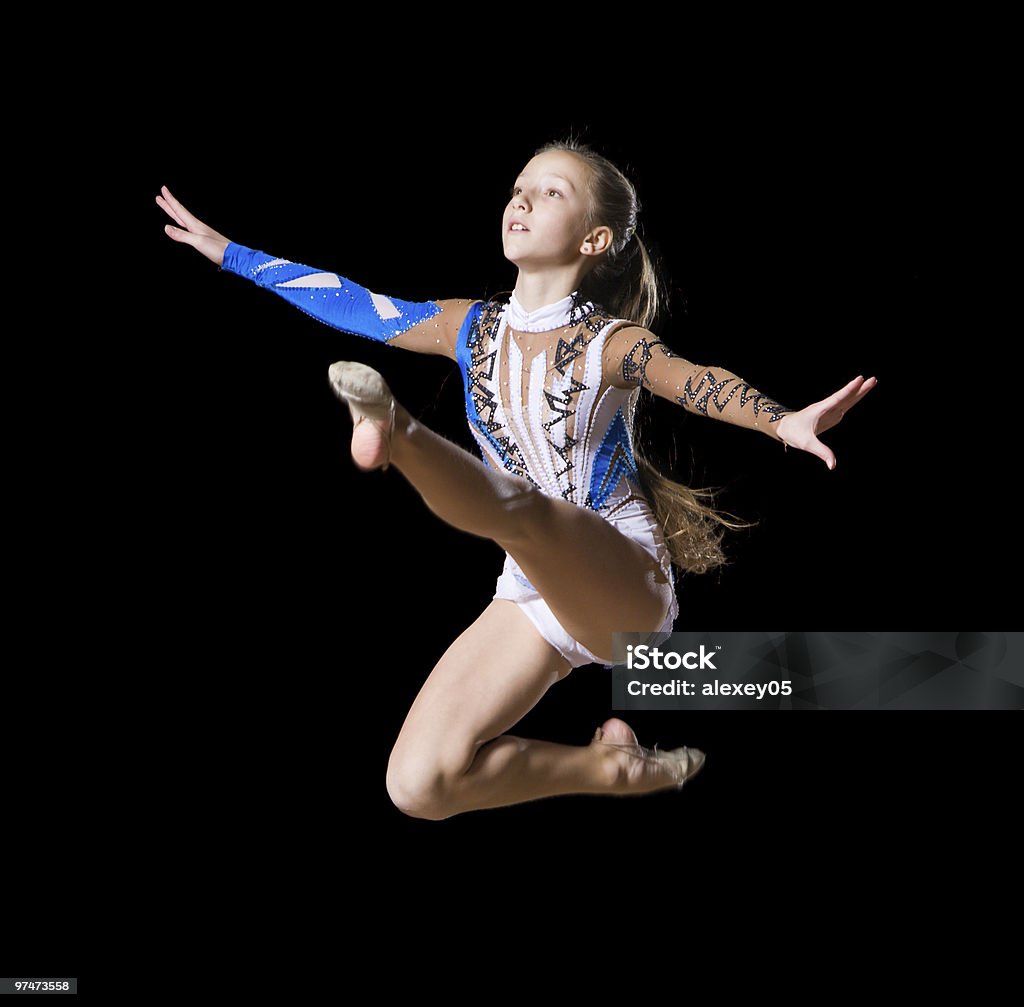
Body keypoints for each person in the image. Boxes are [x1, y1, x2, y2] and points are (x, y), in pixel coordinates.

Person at [157, 139, 876, 819]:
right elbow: (355, 302)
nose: (522, 201)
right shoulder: (469, 328)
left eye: (549, 192)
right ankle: (613, 772)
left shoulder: (610, 343)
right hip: (531, 589)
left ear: (594, 239)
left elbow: (696, 383)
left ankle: (394, 430)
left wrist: (783, 421)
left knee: (526, 514)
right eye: (517, 189)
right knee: (418, 782)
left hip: (624, 585)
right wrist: (232, 255)